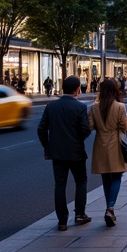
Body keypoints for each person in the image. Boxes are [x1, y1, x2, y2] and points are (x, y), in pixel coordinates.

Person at [37, 74, 93, 231]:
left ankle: (62, 220)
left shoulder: (51, 106)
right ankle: (80, 214)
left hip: (57, 153)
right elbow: (85, 130)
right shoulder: (80, 107)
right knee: (81, 181)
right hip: (76, 151)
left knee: (59, 185)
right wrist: (78, 139)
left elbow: (41, 129)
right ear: (77, 89)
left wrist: (48, 147)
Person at [88, 78, 127, 227]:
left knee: (105, 178)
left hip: (100, 144)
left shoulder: (94, 107)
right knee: (117, 176)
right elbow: (126, 126)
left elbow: (90, 126)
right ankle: (110, 208)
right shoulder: (120, 106)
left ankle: (109, 209)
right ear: (114, 90)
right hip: (115, 144)